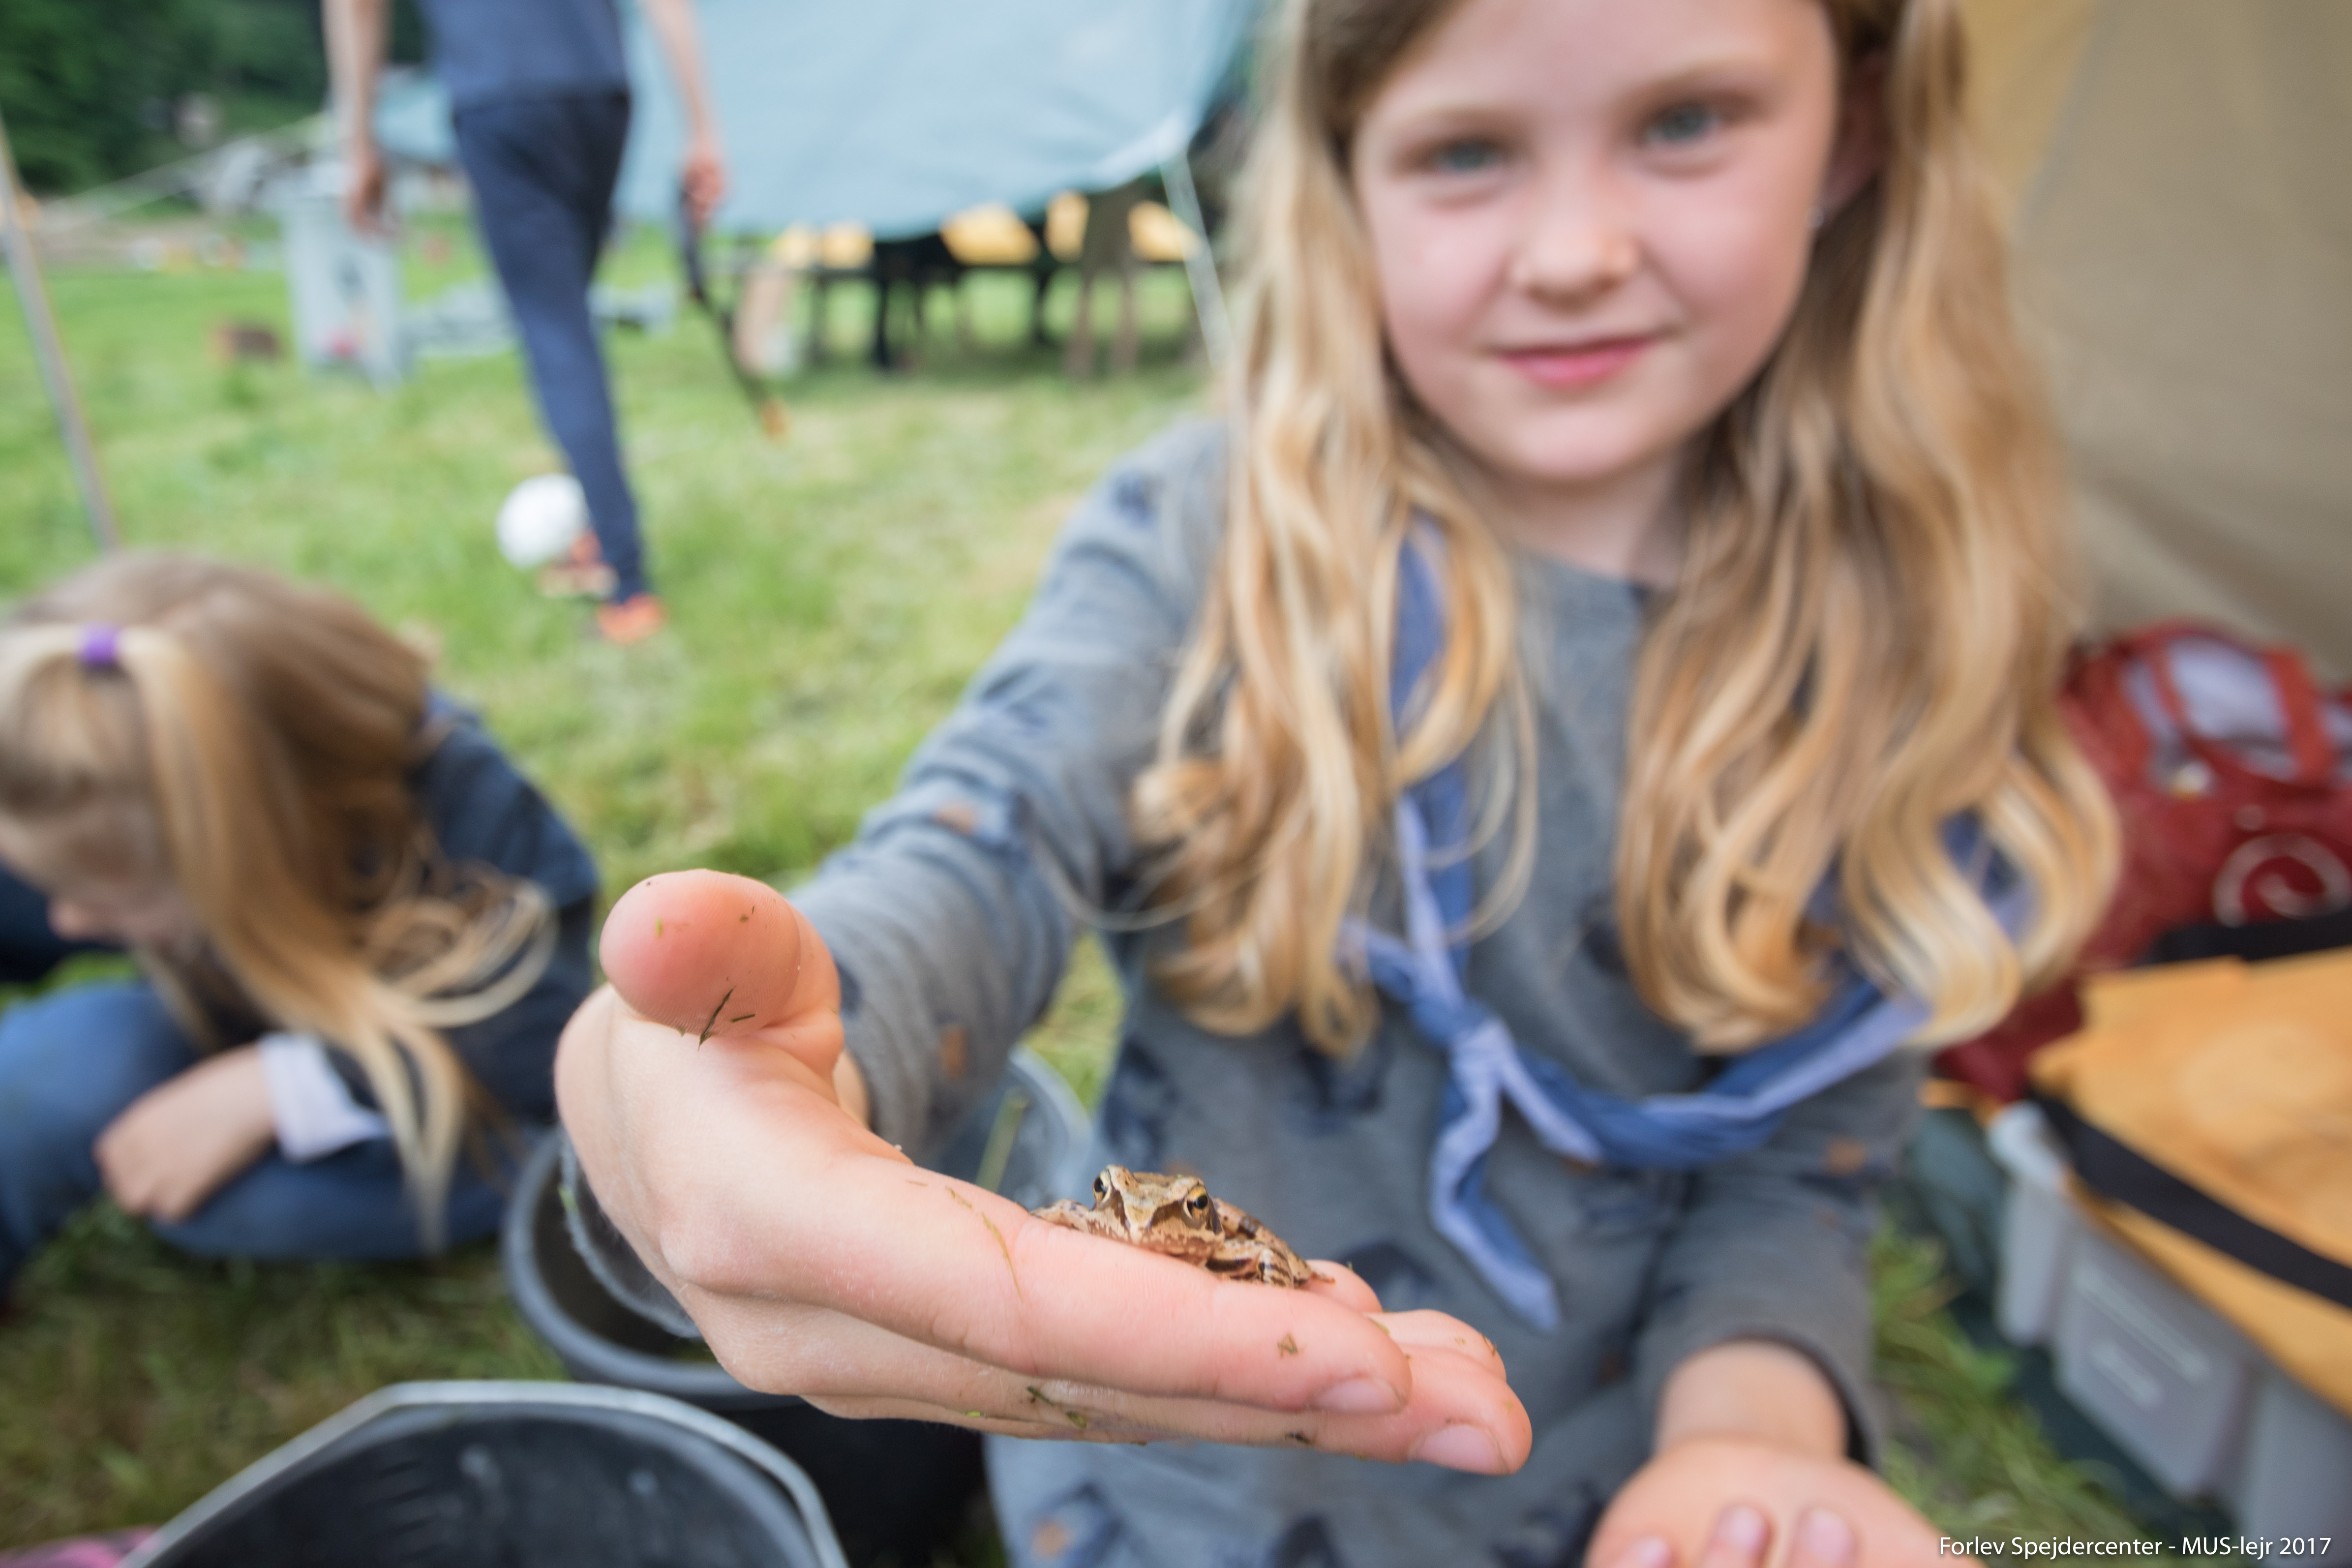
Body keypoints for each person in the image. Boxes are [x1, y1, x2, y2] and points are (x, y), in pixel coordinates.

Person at [554, 0, 2119, 1562]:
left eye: (1684, 122)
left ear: (1853, 125)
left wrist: (1746, 1443)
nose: (1572, 252)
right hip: (1167, 1496)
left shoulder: (1913, 647)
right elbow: (974, 848)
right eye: (1465, 150)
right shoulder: (1204, 546)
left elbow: (1794, 1164)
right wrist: (739, 1076)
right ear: (1341, 172)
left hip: (1594, 1504)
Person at [0, 555, 597, 1299]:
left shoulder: (471, 812)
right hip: (225, 1025)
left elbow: (537, 1033)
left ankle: (551, 1187)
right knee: (47, 1076)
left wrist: (286, 1087)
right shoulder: (72, 799)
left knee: (248, 1207)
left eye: (105, 902)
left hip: (416, 1078)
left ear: (251, 855)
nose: (68, 921)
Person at [323, 0, 728, 645]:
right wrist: (702, 126)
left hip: (501, 94)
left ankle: (627, 582)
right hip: (602, 93)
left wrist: (358, 142)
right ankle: (601, 528)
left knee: (556, 329)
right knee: (568, 318)